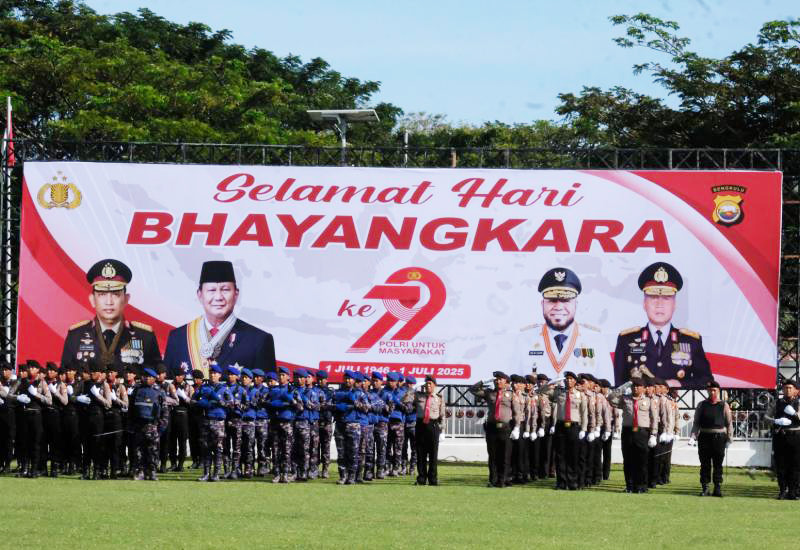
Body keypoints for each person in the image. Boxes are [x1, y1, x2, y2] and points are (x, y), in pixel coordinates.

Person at [163, 260, 276, 381]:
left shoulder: (259, 340)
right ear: (199, 295)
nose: (218, 297)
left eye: (225, 290)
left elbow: (269, 388)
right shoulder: (178, 337)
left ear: (236, 294)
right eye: (211, 290)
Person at [613, 262, 712, 388]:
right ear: (644, 303)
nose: (659, 304)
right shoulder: (626, 340)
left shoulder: (691, 341)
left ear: (674, 304)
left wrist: (680, 384)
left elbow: (708, 382)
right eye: (653, 297)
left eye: (666, 298)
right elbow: (618, 386)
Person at [511, 267, 613, 382]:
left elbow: (607, 387)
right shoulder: (524, 339)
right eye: (552, 300)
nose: (559, 307)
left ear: (576, 304)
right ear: (542, 304)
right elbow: (513, 385)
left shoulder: (596, 340)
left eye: (566, 300)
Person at [61, 259, 161, 372]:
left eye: (116, 294)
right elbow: (64, 377)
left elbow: (158, 376)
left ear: (126, 299)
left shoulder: (145, 336)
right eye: (102, 294)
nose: (109, 302)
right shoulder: (76, 336)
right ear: (92, 300)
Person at [469, 371, 523, 488]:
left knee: (505, 456)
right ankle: (493, 480)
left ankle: (502, 480)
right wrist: (483, 381)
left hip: (505, 428)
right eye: (496, 379)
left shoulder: (511, 395)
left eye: (500, 379)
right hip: (492, 428)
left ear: (506, 382)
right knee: (492, 456)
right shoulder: (489, 393)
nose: (497, 381)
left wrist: (517, 427)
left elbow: (516, 412)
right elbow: (472, 389)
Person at [607, 377, 660, 493]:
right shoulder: (625, 399)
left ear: (644, 388)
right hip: (628, 432)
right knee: (628, 460)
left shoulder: (649, 401)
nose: (635, 388)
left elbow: (654, 418)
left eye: (638, 386)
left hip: (642, 433)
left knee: (642, 461)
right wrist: (625, 385)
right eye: (634, 386)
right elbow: (610, 397)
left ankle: (641, 486)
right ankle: (629, 486)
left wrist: (653, 434)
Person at [541, 371, 587, 490]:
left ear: (575, 381)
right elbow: (542, 391)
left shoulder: (580, 395)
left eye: (571, 379)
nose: (568, 381)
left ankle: (572, 482)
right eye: (566, 379)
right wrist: (553, 382)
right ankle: (561, 482)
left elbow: (584, 413)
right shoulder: (559, 392)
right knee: (560, 455)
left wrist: (583, 429)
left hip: (574, 426)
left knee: (573, 455)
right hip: (561, 426)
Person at [689, 380, 732, 497]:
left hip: (719, 437)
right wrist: (693, 436)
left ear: (718, 391)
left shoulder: (724, 405)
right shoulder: (701, 405)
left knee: (718, 464)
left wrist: (729, 438)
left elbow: (729, 423)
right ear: (707, 391)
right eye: (710, 390)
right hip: (704, 436)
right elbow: (696, 423)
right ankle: (705, 487)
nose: (712, 392)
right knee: (705, 464)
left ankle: (717, 487)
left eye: (714, 390)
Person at [193, 363, 232, 482]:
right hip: (206, 421)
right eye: (211, 373)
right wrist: (201, 404)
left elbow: (231, 403)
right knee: (205, 448)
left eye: (215, 373)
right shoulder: (203, 388)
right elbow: (192, 400)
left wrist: (218, 402)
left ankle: (216, 474)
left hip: (218, 422)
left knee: (218, 448)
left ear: (219, 375)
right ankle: (206, 473)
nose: (212, 375)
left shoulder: (224, 389)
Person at [766, 379, 800, 499]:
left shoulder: (799, 403)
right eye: (786, 388)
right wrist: (776, 421)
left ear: (796, 390)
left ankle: (793, 491)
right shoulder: (777, 403)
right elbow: (766, 417)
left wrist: (795, 414)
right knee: (781, 464)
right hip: (780, 436)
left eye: (790, 388)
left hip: (796, 436)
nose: (788, 390)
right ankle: (782, 490)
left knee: (795, 465)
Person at [128, 367, 163, 481]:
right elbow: (131, 409)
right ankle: (140, 472)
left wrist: (161, 427)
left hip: (152, 426)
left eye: (150, 377)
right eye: (146, 376)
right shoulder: (136, 391)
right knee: (138, 451)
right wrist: (131, 425)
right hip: (139, 426)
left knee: (153, 451)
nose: (147, 379)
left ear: (154, 379)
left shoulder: (159, 392)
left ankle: (152, 472)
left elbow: (164, 411)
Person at [414, 375, 445, 486]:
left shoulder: (439, 398)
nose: (428, 386)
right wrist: (414, 388)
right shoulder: (418, 395)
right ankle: (421, 478)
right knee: (420, 454)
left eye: (430, 384)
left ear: (434, 385)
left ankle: (433, 479)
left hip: (433, 426)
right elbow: (405, 400)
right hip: (420, 426)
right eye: (426, 383)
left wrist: (442, 431)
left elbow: (442, 415)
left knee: (433, 454)